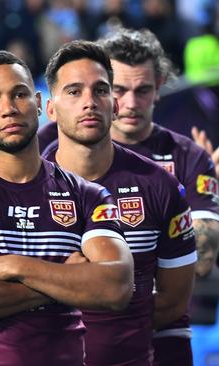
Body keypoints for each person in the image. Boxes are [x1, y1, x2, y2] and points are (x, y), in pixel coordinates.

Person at [0, 49, 134, 365]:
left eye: (19, 95)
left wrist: (14, 266)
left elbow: (116, 288)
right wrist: (66, 280)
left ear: (37, 103)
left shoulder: (88, 195)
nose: (8, 109)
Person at [42, 40, 197, 366]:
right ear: (50, 108)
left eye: (100, 91)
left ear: (112, 104)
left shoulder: (161, 185)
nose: (89, 102)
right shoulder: (21, 186)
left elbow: (173, 301)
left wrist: (103, 310)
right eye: (73, 91)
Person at [98, 28, 219, 366]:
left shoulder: (189, 156)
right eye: (120, 90)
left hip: (163, 335)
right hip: (82, 337)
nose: (132, 104)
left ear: (161, 83)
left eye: (143, 89)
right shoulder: (60, 150)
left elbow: (204, 259)